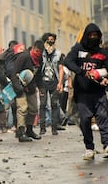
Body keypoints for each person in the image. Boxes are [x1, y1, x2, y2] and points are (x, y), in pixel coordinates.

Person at [64, 23, 108, 160]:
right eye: (91, 35)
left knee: (103, 118)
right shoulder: (78, 49)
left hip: (99, 92)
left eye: (96, 36)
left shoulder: (102, 53)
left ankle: (106, 145)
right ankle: (89, 148)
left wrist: (103, 76)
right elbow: (68, 61)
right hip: (82, 94)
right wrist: (82, 72)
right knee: (85, 120)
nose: (93, 38)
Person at [11, 42, 43, 142]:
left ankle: (29, 130)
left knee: (33, 109)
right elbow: (14, 72)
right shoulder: (23, 57)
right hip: (20, 87)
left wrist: (41, 87)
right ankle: (21, 132)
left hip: (31, 87)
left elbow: (38, 76)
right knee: (22, 109)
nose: (38, 54)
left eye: (40, 52)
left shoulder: (39, 60)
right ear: (33, 48)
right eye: (37, 51)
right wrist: (17, 87)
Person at [36, 33, 64, 135]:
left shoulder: (58, 54)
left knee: (54, 104)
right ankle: (42, 127)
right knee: (42, 104)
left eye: (52, 40)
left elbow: (61, 69)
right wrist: (37, 85)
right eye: (48, 40)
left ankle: (54, 128)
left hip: (54, 82)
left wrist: (60, 83)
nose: (50, 42)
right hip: (43, 82)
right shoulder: (40, 53)